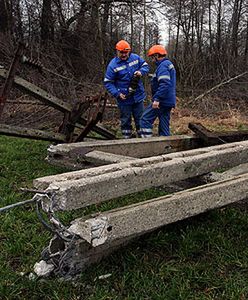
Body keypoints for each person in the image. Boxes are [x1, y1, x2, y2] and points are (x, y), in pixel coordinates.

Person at [104, 40, 149, 138]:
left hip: (138, 96)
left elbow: (145, 66)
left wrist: (141, 71)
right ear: (117, 51)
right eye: (122, 52)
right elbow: (108, 82)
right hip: (124, 99)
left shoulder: (136, 58)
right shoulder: (113, 65)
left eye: (126, 52)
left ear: (129, 51)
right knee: (125, 121)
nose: (124, 54)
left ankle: (144, 140)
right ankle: (127, 140)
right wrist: (117, 94)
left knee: (141, 120)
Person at [140, 45, 176, 137]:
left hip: (162, 101)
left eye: (152, 57)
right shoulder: (168, 64)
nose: (152, 60)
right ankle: (165, 147)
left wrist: (157, 99)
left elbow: (164, 83)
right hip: (168, 101)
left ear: (157, 56)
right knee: (164, 126)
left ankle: (146, 143)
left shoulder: (163, 66)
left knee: (145, 119)